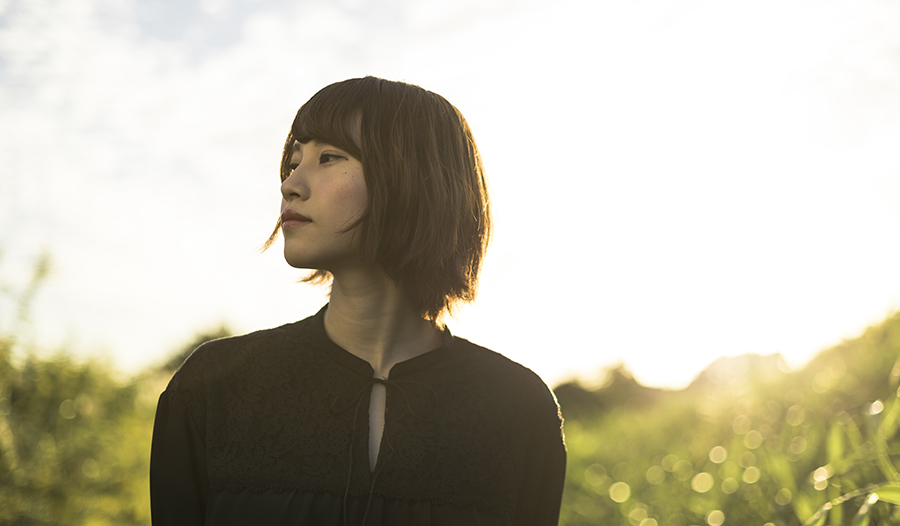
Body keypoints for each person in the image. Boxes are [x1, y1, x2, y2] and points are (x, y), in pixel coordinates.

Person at [149, 76, 566, 526]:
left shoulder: (518, 409)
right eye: (292, 162)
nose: (291, 184)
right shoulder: (213, 388)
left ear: (412, 178)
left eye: (329, 157)